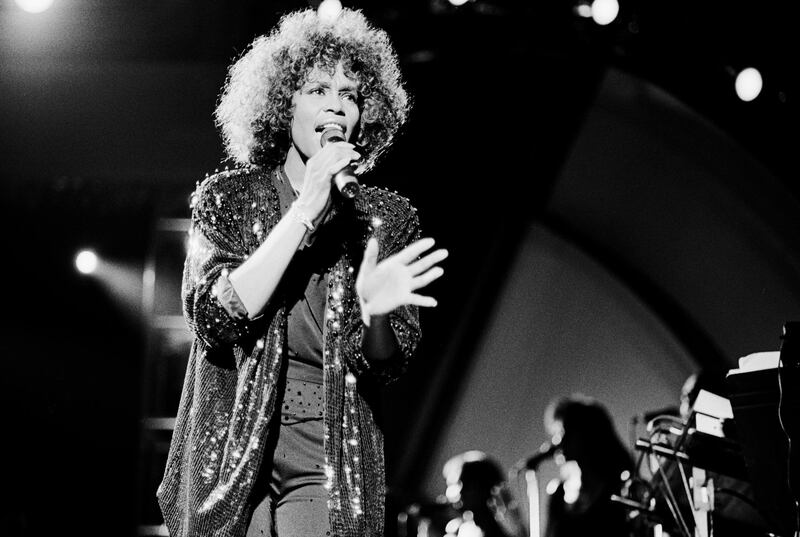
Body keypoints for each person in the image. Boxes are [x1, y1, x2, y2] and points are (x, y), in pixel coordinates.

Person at [156, 7, 448, 537]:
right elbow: (214, 319)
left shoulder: (381, 218)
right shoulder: (229, 199)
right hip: (230, 446)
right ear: (282, 104)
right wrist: (303, 212)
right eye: (318, 89)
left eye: (351, 95)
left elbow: (385, 363)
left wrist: (377, 316)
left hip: (327, 451)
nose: (337, 105)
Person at [542, 395, 633, 537]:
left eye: (564, 432)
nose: (557, 441)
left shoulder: (620, 487)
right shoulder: (559, 495)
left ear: (587, 434)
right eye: (555, 434)